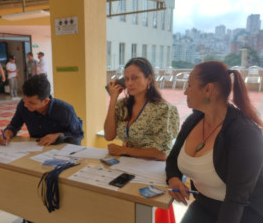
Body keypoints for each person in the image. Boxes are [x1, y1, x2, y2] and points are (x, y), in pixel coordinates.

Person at [166, 61, 263, 223]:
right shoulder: (193, 121)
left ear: (208, 89)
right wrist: (173, 178)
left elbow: (236, 200)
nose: (185, 92)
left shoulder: (245, 134)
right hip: (204, 207)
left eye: (189, 86)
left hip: (242, 214)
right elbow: (172, 159)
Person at [104, 57, 179, 161]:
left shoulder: (164, 109)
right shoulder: (121, 105)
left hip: (150, 167)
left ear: (148, 79)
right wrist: (113, 100)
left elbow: (162, 154)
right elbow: (108, 136)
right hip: (126, 163)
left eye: (134, 78)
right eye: (126, 79)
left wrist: (124, 150)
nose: (129, 83)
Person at [0, 73, 84, 146]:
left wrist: (59, 136)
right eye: (24, 100)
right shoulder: (23, 105)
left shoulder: (64, 110)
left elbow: (78, 135)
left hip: (62, 152)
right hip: (37, 150)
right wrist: (8, 133)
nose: (26, 105)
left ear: (46, 101)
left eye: (32, 103)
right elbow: (14, 125)